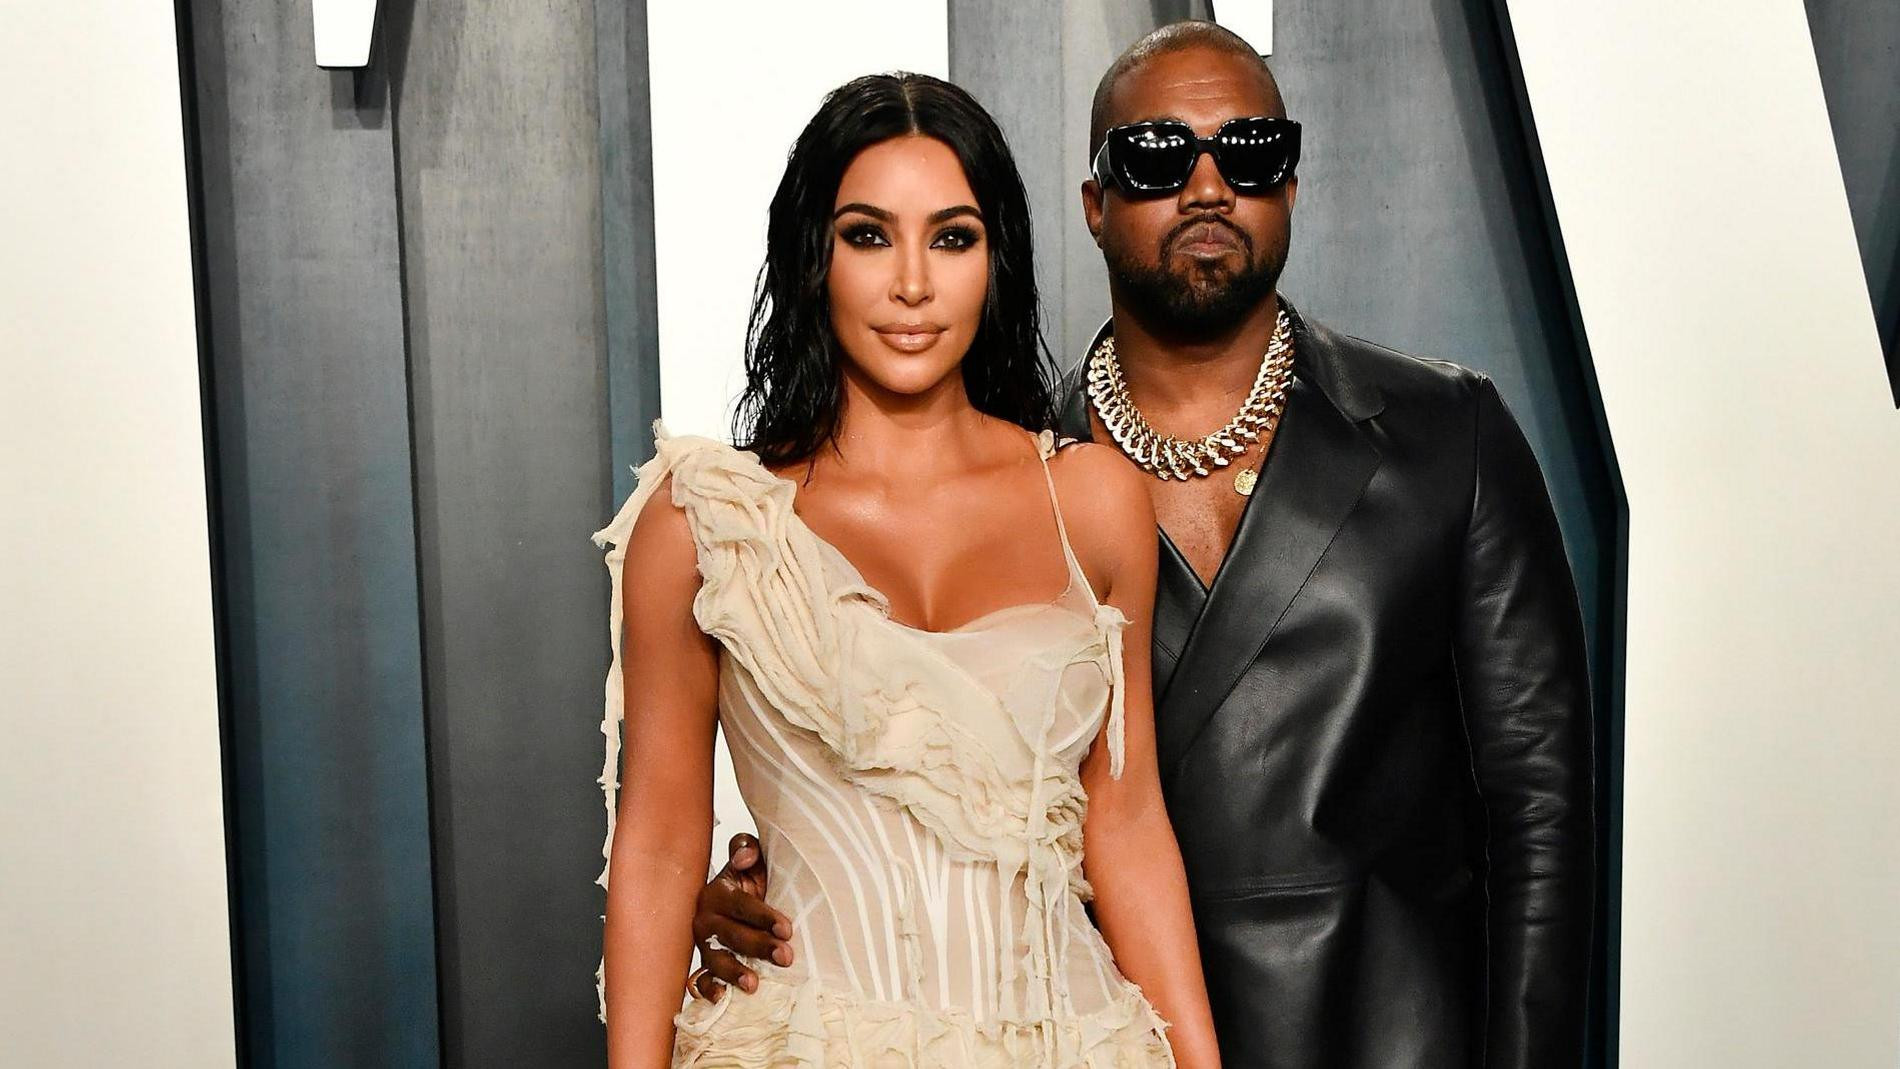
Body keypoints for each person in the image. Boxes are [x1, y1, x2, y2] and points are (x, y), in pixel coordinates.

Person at [689, 22, 1596, 1068]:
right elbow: (906, 767)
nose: (1208, 187)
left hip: (1390, 1035)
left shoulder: (1447, 435)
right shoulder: (1011, 481)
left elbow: (1542, 808)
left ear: (1290, 184)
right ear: (1095, 203)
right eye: (1158, 156)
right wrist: (768, 896)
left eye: (1249, 151)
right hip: (1099, 1030)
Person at [592, 72, 1222, 1066]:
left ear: (996, 259)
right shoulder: (706, 525)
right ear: (812, 256)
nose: (913, 284)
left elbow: (1128, 821)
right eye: (869, 236)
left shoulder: (1093, 502)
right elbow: (661, 840)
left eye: (953, 237)